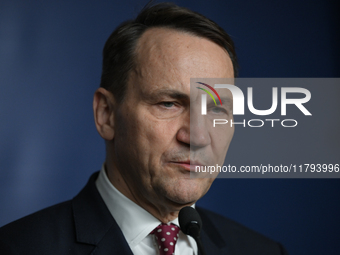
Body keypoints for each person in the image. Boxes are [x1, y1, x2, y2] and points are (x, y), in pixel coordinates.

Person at [0, 2, 288, 255]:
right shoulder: (17, 248)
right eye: (169, 104)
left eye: (216, 109)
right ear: (107, 114)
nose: (198, 136)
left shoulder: (263, 250)